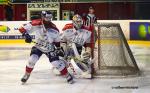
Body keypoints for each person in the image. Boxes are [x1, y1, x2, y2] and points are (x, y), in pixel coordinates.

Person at [18, 11, 74, 84]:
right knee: (32, 59)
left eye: (50, 18)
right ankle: (26, 74)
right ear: (43, 17)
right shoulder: (36, 23)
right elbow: (21, 28)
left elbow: (57, 41)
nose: (48, 19)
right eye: (47, 17)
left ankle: (67, 75)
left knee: (56, 63)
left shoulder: (54, 29)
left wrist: (58, 49)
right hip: (38, 46)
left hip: (49, 48)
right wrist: (26, 35)